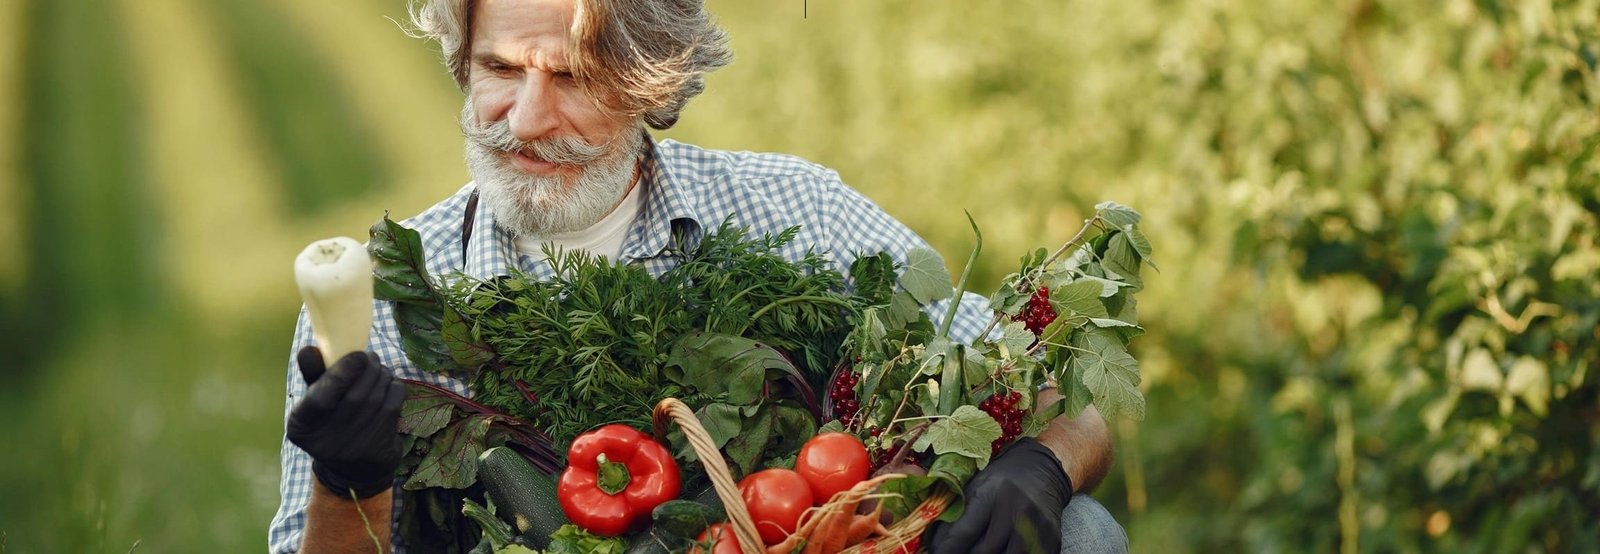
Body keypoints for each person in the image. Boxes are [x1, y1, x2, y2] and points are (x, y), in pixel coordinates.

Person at [269, 0, 1130, 552]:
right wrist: (350, 485)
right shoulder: (369, 312)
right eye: (499, 69)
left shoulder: (797, 213)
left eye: (570, 76)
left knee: (1081, 532)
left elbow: (1058, 395)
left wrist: (1047, 467)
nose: (525, 121)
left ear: (651, 81)